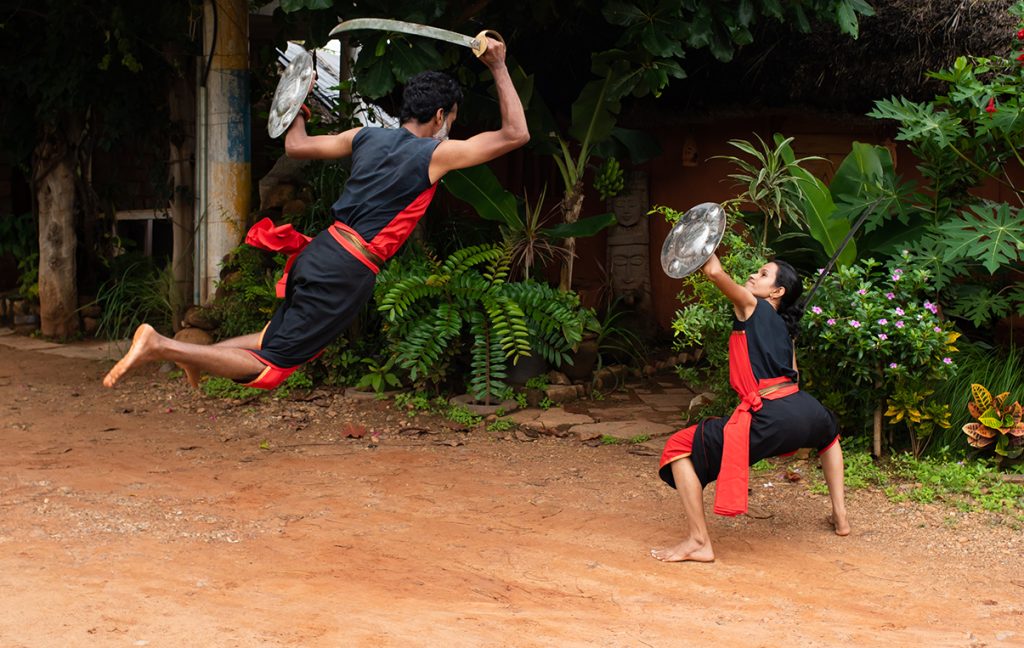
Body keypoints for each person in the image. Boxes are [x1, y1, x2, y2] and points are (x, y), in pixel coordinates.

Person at [103, 37, 528, 390]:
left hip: (321, 251)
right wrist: (499, 66)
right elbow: (516, 133)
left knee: (272, 336)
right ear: (439, 116)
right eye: (450, 119)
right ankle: (162, 345)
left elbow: (296, 147)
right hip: (347, 269)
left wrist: (298, 106)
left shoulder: (364, 137)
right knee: (274, 366)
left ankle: (196, 358)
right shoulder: (436, 153)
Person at [650, 253, 849, 564]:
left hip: (773, 413)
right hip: (803, 407)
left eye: (763, 274)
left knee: (678, 447)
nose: (754, 276)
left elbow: (714, 271)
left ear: (777, 292)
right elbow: (794, 375)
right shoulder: (786, 330)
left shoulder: (752, 306)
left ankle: (699, 541)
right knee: (830, 435)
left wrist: (702, 237)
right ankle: (840, 516)